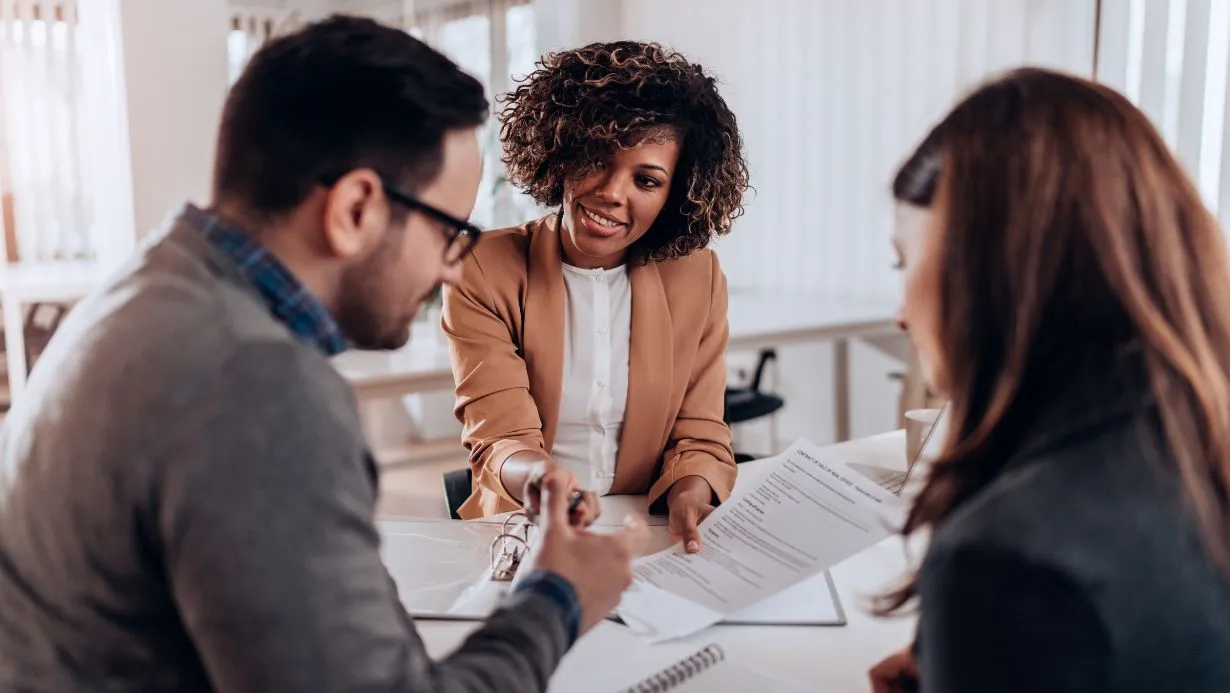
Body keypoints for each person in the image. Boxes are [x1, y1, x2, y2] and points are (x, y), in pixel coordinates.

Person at [0, 16, 649, 693]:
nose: (454, 270)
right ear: (355, 209)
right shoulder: (255, 385)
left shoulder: (148, 287)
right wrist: (556, 598)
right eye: (450, 232)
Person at [868, 67, 1230, 692]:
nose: (901, 313)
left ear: (992, 272)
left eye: (907, 262)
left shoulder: (1005, 560)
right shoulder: (1195, 434)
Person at [442, 41, 750, 553]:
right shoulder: (482, 267)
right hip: (527, 528)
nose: (612, 192)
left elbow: (699, 431)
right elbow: (500, 437)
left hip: (650, 535)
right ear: (561, 153)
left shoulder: (697, 276)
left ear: (675, 196)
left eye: (646, 180)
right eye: (597, 159)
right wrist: (547, 486)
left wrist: (692, 489)